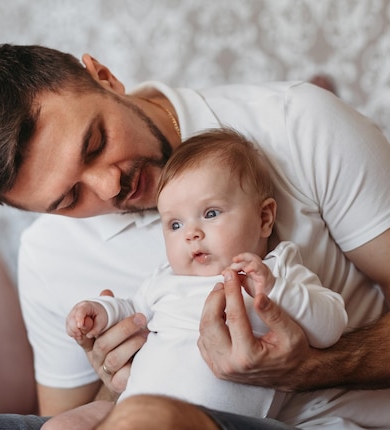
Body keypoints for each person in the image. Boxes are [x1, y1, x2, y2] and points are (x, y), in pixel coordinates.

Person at [0, 43, 390, 430]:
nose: (110, 186)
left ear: (104, 76)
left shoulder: (300, 125)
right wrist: (113, 377)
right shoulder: (47, 253)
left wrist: (308, 366)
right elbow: (71, 421)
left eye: (95, 144)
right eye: (70, 199)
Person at [50, 129, 348, 428]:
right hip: (132, 411)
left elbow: (330, 328)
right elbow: (132, 311)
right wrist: (100, 311)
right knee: (61, 425)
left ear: (264, 218)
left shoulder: (278, 271)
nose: (192, 233)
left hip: (212, 422)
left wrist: (276, 289)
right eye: (175, 224)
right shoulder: (165, 279)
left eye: (210, 213)